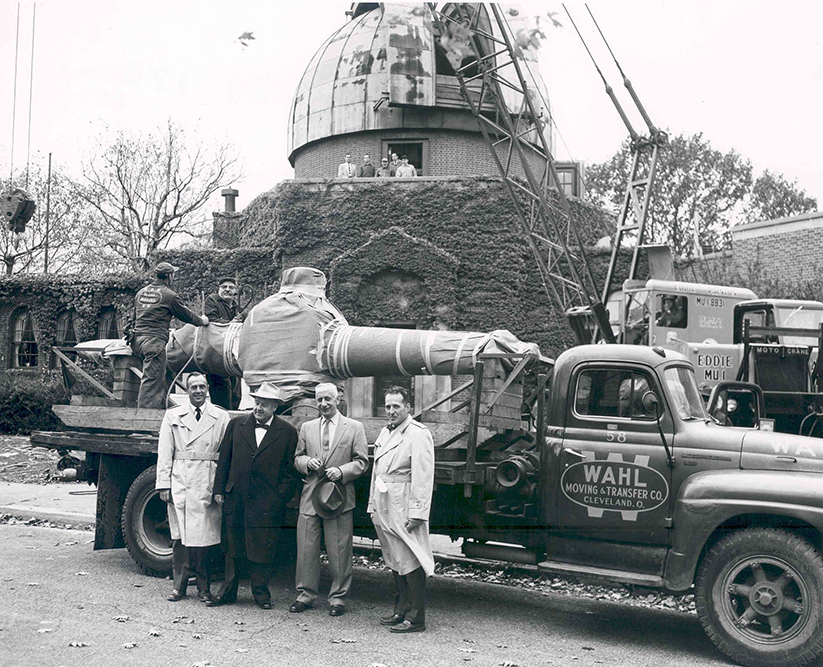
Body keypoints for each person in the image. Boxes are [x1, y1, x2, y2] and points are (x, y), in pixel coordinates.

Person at [208, 382, 300, 609]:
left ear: (275, 407)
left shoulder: (287, 432)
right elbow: (224, 460)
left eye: (265, 405)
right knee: (232, 545)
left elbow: (291, 472)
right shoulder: (236, 424)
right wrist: (219, 490)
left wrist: (279, 497)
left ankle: (261, 593)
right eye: (257, 403)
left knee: (263, 545)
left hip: (267, 502)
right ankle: (228, 591)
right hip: (236, 497)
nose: (259, 408)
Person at [291, 383, 368, 616]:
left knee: (339, 549)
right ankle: (305, 594)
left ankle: (338, 598)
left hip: (339, 496)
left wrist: (342, 471)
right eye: (319, 400)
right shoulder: (307, 427)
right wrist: (307, 463)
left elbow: (362, 462)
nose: (323, 404)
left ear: (338, 399)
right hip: (311, 495)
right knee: (306, 547)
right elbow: (297, 458)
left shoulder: (354, 427)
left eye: (327, 399)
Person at [156, 372, 230, 603]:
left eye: (201, 386)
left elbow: (226, 455)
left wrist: (220, 487)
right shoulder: (173, 415)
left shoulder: (221, 416)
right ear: (187, 391)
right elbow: (165, 452)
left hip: (207, 478)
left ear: (208, 388)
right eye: (193, 387)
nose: (198, 391)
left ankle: (203, 587)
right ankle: (179, 586)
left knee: (204, 538)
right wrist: (163, 483)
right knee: (179, 536)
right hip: (182, 478)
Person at [368, 386, 435, 633]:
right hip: (384, 503)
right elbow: (377, 472)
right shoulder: (386, 433)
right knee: (394, 558)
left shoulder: (418, 433)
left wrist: (417, 512)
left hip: (404, 504)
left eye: (396, 406)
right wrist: (371, 505)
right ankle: (401, 609)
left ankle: (417, 617)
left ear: (408, 407)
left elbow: (424, 476)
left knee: (411, 558)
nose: (391, 411)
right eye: (388, 406)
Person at [132, 262, 209, 409]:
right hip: (153, 343)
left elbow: (133, 318)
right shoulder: (169, 296)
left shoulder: (140, 293)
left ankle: (163, 410)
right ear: (169, 276)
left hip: (137, 341)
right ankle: (145, 423)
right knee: (152, 382)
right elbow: (187, 316)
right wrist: (202, 320)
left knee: (164, 373)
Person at [203, 277, 241, 409]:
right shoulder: (212, 300)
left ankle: (232, 420)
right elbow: (211, 319)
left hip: (232, 355)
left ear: (235, 291)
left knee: (236, 394)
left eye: (231, 287)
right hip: (215, 353)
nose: (227, 290)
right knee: (221, 394)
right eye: (224, 287)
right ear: (218, 289)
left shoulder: (237, 306)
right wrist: (231, 324)